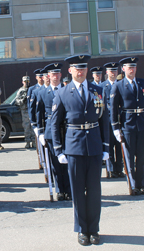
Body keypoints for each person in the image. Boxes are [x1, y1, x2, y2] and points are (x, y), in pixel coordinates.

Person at [51, 55, 109, 246]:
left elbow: (104, 120)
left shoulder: (97, 90)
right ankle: (81, 230)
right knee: (77, 191)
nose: (81, 72)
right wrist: (59, 150)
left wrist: (106, 146)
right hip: (74, 147)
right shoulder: (63, 93)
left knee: (94, 190)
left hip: (93, 146)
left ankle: (94, 229)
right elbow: (55, 123)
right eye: (77, 68)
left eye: (83, 68)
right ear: (70, 70)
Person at [111, 57, 144, 195]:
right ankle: (132, 183)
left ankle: (141, 184)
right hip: (127, 124)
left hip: (141, 122)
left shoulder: (143, 83)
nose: (132, 69)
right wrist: (116, 127)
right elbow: (113, 108)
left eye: (134, 67)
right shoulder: (118, 85)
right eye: (129, 67)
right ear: (123, 69)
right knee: (129, 156)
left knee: (141, 156)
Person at [36, 62, 71, 201]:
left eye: (58, 74)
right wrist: (41, 133)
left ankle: (69, 189)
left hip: (67, 130)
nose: (55, 76)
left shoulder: (68, 90)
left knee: (68, 162)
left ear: (61, 75)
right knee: (55, 164)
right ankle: (59, 190)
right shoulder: (42, 93)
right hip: (51, 131)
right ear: (48, 76)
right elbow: (39, 115)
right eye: (53, 74)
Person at [100, 62, 124, 178]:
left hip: (119, 120)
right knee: (108, 146)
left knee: (120, 146)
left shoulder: (121, 85)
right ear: (107, 72)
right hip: (107, 121)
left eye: (115, 71)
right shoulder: (101, 86)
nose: (113, 73)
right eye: (111, 71)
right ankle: (111, 169)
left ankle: (119, 169)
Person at [14, 76, 35, 148]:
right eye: (25, 81)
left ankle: (34, 141)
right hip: (25, 110)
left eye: (27, 81)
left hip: (32, 110)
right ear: (22, 82)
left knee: (33, 126)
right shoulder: (21, 90)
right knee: (26, 126)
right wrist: (22, 100)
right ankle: (28, 142)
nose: (26, 83)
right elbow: (16, 101)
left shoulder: (32, 89)